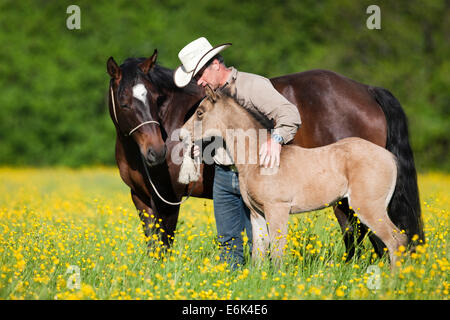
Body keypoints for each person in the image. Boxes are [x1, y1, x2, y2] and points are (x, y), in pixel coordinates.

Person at [174, 37, 301, 268]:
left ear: (215, 64)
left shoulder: (253, 86)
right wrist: (199, 148)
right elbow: (223, 136)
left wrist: (276, 139)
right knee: (227, 243)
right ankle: (234, 289)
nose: (199, 82)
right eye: (195, 78)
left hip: (259, 175)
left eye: (200, 74)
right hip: (223, 176)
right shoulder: (211, 97)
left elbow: (289, 115)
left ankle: (264, 289)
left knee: (259, 242)